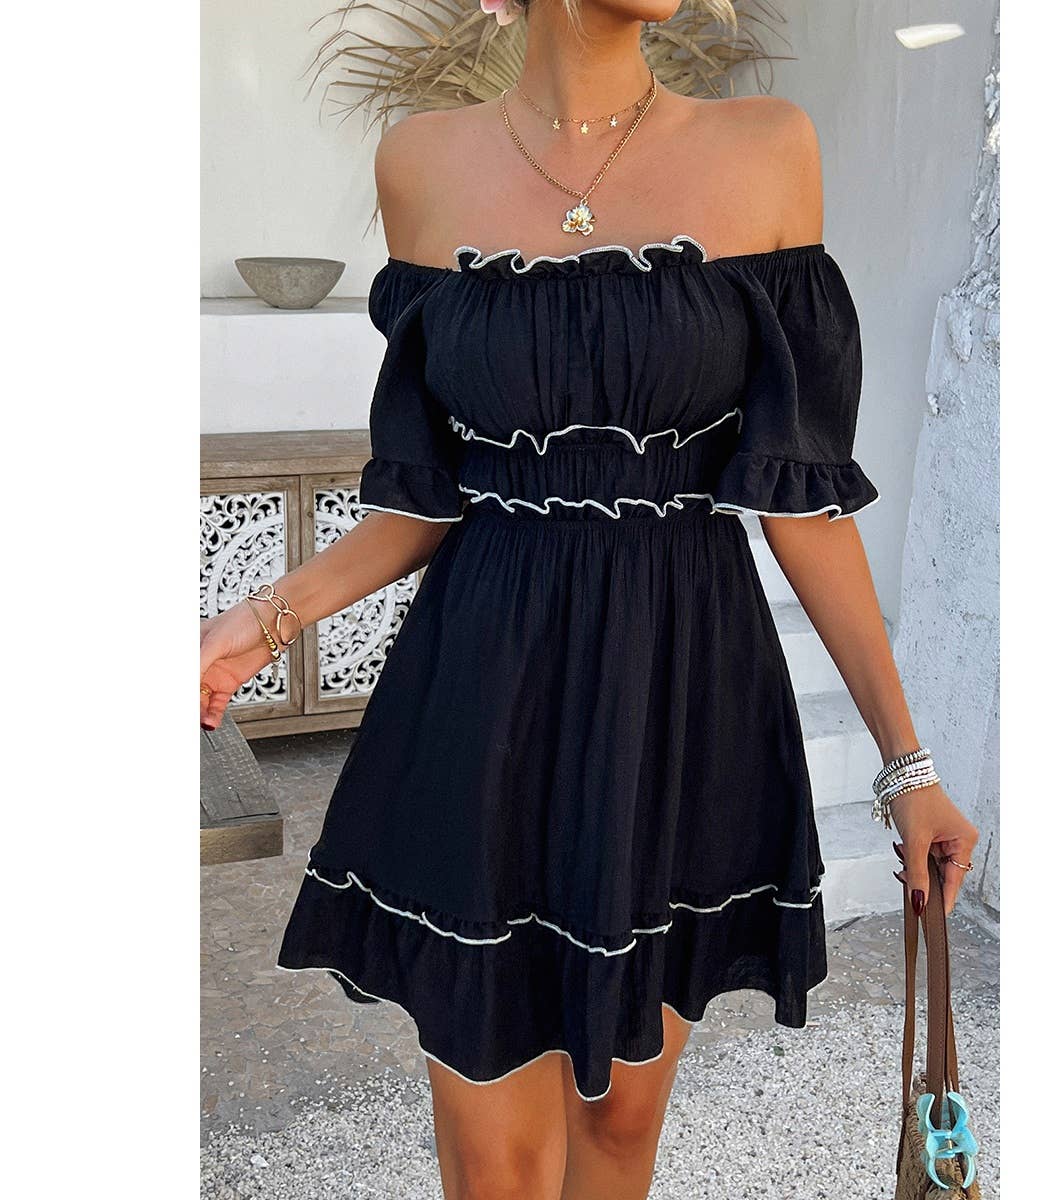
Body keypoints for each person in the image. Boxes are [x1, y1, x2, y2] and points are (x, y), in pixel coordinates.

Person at [199, 2, 980, 1196]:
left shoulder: (769, 148)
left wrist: (906, 766)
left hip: (676, 689)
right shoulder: (421, 163)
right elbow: (426, 498)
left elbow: (804, 503)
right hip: (484, 689)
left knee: (617, 1123)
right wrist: (256, 625)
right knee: (495, 1157)